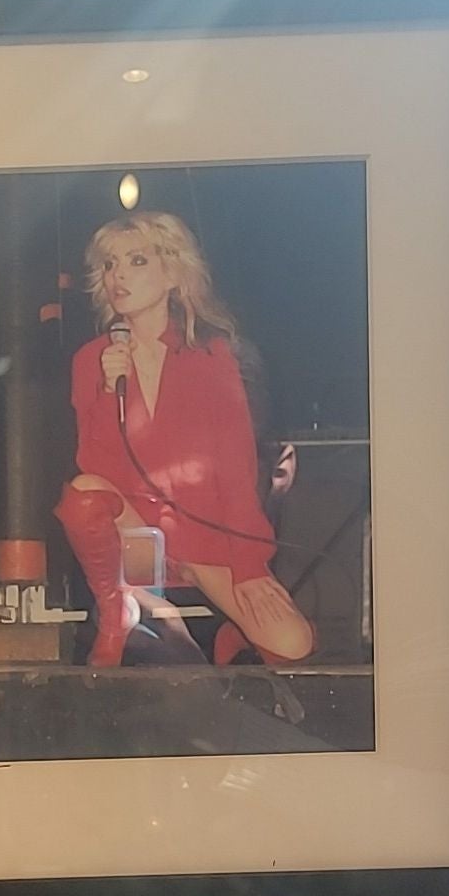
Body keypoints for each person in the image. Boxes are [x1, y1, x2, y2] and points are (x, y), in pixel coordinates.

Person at [54, 211, 315, 668]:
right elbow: (94, 464)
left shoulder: (210, 355)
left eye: (136, 261)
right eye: (110, 265)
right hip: (138, 538)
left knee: (293, 645)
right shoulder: (92, 359)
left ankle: (232, 635)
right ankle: (119, 608)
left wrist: (251, 566)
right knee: (82, 496)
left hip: (201, 536)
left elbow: (236, 469)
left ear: (173, 272)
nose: (118, 276)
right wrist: (104, 389)